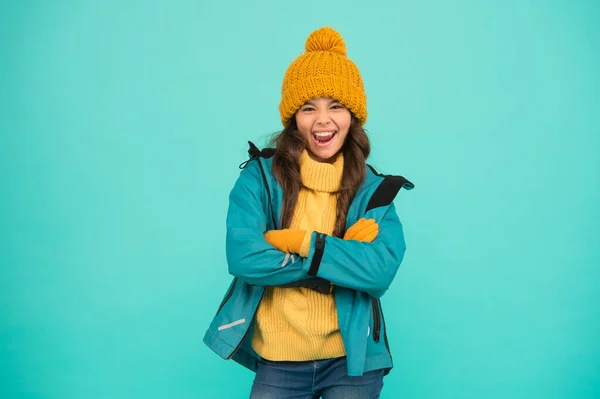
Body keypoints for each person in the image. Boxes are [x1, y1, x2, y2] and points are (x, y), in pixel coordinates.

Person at [204, 26, 414, 398]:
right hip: (279, 361)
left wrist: (303, 243)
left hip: (353, 361)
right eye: (308, 108)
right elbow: (244, 257)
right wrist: (339, 262)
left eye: (336, 106)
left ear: (353, 116)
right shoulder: (259, 179)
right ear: (293, 118)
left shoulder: (375, 190)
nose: (323, 120)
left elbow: (379, 271)